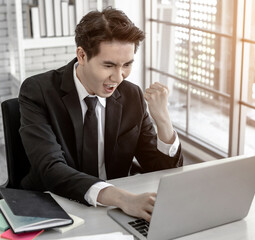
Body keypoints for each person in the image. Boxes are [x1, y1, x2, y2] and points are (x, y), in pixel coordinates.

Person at [18, 7, 183, 222]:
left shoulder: (131, 95)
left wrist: (163, 121)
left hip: (114, 211)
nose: (118, 77)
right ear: (82, 55)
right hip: (56, 207)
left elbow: (161, 172)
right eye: (109, 65)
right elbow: (50, 169)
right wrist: (123, 199)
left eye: (127, 65)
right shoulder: (38, 91)